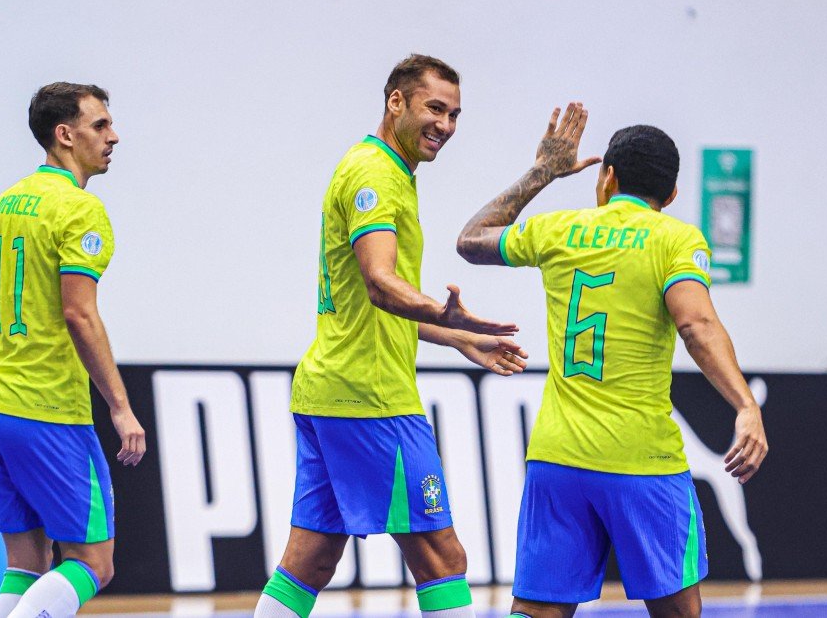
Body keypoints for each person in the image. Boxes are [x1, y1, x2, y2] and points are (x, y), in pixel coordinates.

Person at [456, 104, 768, 618]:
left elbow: (470, 240)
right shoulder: (675, 239)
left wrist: (543, 171)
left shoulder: (558, 230)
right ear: (669, 196)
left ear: (608, 177)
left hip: (558, 460)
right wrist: (745, 406)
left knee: (537, 611)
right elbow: (696, 324)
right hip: (641, 463)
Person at [254, 55, 529, 618]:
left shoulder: (384, 171)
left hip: (328, 392)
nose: (446, 126)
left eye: (454, 114)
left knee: (310, 562)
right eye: (435, 108)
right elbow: (381, 283)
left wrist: (456, 339)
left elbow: (372, 300)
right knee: (443, 559)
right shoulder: (376, 175)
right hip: (370, 398)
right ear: (395, 102)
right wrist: (449, 316)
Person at [0, 82, 146, 618]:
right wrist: (119, 406)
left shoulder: (0, 207)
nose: (114, 136)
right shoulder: (79, 209)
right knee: (94, 562)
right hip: (47, 411)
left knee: (25, 562)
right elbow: (79, 312)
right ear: (64, 136)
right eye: (100, 126)